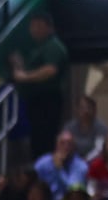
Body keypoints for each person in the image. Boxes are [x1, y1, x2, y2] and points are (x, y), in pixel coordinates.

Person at [9, 12, 69, 155]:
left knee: (45, 140)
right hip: (35, 101)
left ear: (49, 28)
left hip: (47, 100)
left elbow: (50, 70)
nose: (35, 30)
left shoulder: (53, 46)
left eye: (39, 26)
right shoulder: (39, 47)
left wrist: (25, 77)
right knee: (37, 140)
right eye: (32, 26)